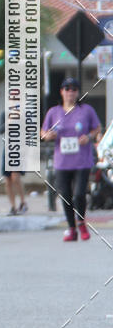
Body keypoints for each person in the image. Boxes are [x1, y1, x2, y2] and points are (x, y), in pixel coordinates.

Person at [40, 77, 101, 241]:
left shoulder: (86, 110)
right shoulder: (54, 112)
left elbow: (97, 128)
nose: (70, 92)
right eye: (67, 89)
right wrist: (48, 135)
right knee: (65, 195)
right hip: (62, 161)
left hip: (82, 159)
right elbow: (43, 132)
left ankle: (81, 222)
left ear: (78, 92)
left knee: (79, 194)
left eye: (74, 89)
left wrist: (88, 136)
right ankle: (71, 229)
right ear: (61, 92)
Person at [0, 110, 26, 215]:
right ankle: (13, 206)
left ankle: (23, 201)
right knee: (7, 180)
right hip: (7, 149)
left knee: (15, 177)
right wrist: (8, 122)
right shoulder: (4, 114)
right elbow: (0, 129)